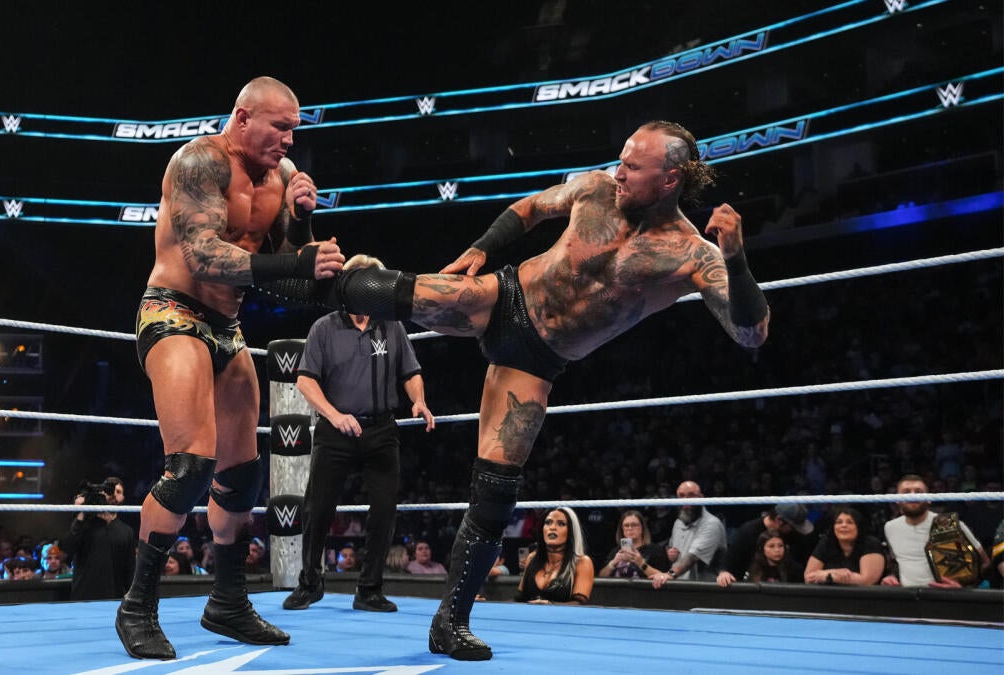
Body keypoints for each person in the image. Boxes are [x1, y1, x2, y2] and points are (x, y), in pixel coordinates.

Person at [262, 120, 769, 660]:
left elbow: (751, 333)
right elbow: (530, 209)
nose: (619, 172)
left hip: (537, 360)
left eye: (632, 166)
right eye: (621, 160)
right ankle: (290, 271)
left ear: (670, 180)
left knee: (496, 491)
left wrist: (736, 261)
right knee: (415, 292)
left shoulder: (691, 253)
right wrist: (482, 248)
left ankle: (449, 623)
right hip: (504, 298)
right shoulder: (596, 188)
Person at [114, 75, 346, 661]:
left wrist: (303, 226)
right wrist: (296, 260)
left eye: (294, 131)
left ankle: (228, 602)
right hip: (173, 312)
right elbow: (203, 256)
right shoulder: (198, 162)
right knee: (191, 464)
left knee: (242, 475)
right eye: (280, 127)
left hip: (227, 327)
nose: (289, 141)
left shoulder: (283, 178)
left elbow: (290, 282)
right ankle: (137, 606)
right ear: (243, 118)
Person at [283, 254, 436, 614]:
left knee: (384, 509)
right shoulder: (324, 327)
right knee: (318, 508)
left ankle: (369, 589)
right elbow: (305, 381)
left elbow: (411, 371)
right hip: (335, 430)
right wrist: (336, 416)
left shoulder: (391, 325)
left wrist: (419, 400)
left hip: (381, 429)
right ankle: (309, 583)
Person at [880, 475, 989, 588]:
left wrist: (962, 586)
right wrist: (892, 577)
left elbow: (985, 563)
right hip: (907, 595)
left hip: (944, 595)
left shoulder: (949, 524)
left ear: (929, 498)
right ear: (897, 499)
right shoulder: (890, 527)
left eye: (918, 492)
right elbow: (899, 562)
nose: (912, 496)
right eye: (906, 492)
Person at [64, 477, 137, 600]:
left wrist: (131, 600)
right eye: (110, 490)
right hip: (82, 598)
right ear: (102, 493)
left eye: (118, 492)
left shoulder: (127, 532)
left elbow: (130, 570)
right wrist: (81, 513)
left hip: (113, 598)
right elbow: (67, 550)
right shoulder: (84, 525)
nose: (114, 494)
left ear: (123, 498)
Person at [716, 503, 815, 588]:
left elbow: (805, 563)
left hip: (787, 590)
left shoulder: (793, 534)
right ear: (779, 520)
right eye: (792, 527)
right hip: (751, 591)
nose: (777, 550)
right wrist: (724, 573)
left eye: (780, 546)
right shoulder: (747, 533)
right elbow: (728, 562)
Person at [653, 480, 728, 588]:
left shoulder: (712, 524)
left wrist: (670, 574)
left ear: (701, 498)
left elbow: (692, 558)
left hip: (703, 588)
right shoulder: (678, 523)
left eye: (691, 495)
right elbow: (673, 548)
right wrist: (670, 553)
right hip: (679, 585)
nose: (686, 500)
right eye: (681, 496)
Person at [514, 507, 594, 604]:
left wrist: (550, 605)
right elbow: (519, 598)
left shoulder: (582, 562)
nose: (552, 527)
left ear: (571, 531)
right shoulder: (532, 558)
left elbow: (579, 603)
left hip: (563, 614)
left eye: (561, 524)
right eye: (548, 523)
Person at [804, 506, 886, 586]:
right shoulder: (827, 542)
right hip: (829, 594)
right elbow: (808, 577)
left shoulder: (870, 543)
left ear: (858, 527)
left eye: (850, 522)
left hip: (863, 594)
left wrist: (829, 576)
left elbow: (867, 581)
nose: (843, 525)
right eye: (839, 522)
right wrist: (833, 573)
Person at [596, 509, 670, 580]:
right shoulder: (616, 551)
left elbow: (664, 577)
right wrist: (613, 563)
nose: (630, 528)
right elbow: (601, 576)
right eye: (626, 525)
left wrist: (641, 564)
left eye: (634, 525)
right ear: (622, 529)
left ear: (642, 528)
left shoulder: (656, 551)